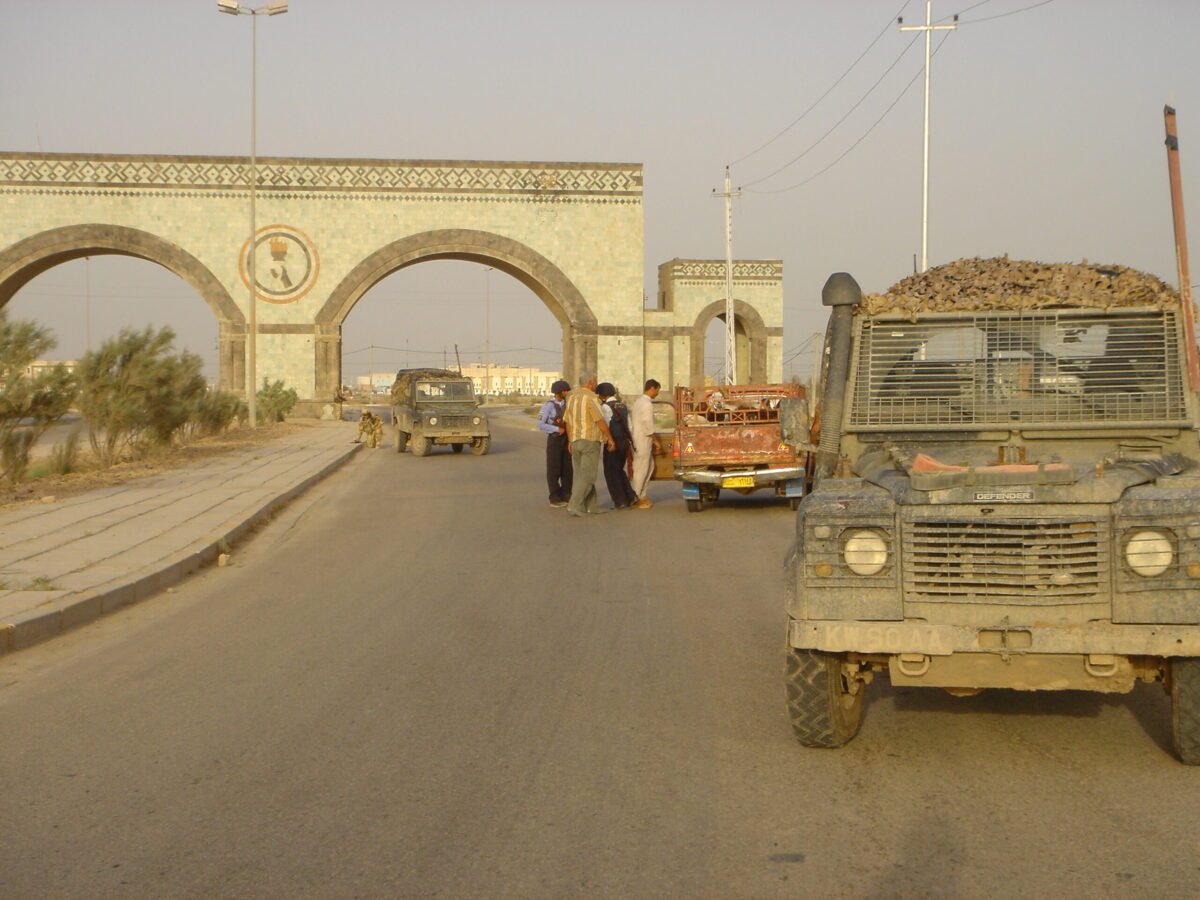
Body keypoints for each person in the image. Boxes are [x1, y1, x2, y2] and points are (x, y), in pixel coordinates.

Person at [562, 372, 615, 518]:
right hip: (590, 440)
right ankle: (574, 504)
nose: (596, 385)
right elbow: (599, 420)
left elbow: (567, 421)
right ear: (590, 383)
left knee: (581, 475)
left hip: (576, 440)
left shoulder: (571, 397)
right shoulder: (591, 398)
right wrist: (610, 438)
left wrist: (570, 440)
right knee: (588, 475)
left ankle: (592, 506)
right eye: (595, 382)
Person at [596, 382, 638, 509]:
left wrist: (607, 440)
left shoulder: (605, 407)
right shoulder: (622, 405)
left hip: (612, 442)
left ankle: (620, 501)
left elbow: (605, 426)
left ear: (602, 395)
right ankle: (630, 496)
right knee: (619, 469)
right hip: (624, 442)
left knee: (611, 472)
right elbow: (630, 426)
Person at [536, 379, 573, 507]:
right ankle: (555, 497)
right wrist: (557, 429)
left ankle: (567, 494)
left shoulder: (567, 405)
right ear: (560, 391)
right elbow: (540, 424)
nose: (567, 392)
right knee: (554, 469)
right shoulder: (549, 406)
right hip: (555, 439)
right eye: (565, 390)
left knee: (567, 469)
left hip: (567, 439)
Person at [629, 378, 662, 508]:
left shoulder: (639, 401)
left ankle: (642, 494)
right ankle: (636, 496)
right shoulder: (646, 404)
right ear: (652, 388)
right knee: (641, 468)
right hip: (642, 438)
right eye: (657, 391)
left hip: (638, 437)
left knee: (649, 466)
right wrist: (655, 440)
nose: (657, 394)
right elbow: (648, 423)